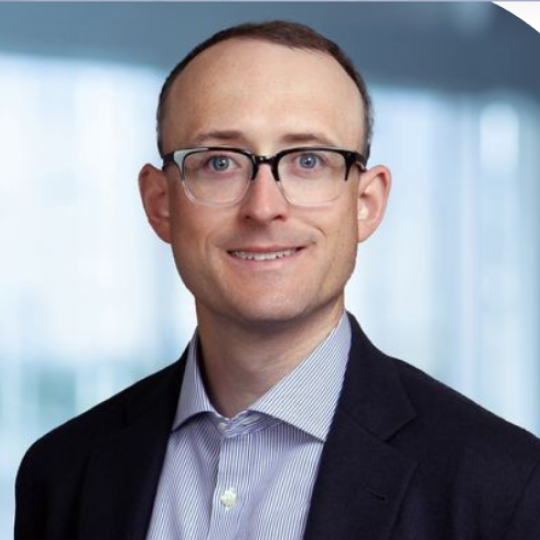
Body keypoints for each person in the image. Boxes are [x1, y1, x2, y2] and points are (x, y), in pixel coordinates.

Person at [15, 20, 540, 540]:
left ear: (366, 203)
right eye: (219, 162)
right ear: (160, 203)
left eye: (308, 160)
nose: (264, 207)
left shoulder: (507, 488)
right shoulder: (61, 474)